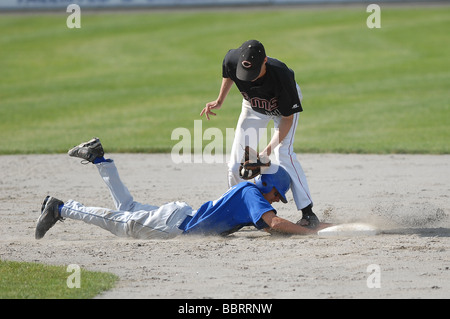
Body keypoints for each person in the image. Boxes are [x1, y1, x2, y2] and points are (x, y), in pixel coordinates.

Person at [35, 138, 330, 240]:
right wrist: (309, 233)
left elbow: (271, 227)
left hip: (178, 215)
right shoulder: (252, 194)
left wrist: (322, 226)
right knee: (122, 224)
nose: (278, 200)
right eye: (277, 194)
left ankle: (99, 158)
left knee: (127, 210)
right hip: (174, 225)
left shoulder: (249, 193)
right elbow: (275, 223)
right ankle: (60, 207)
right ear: (269, 185)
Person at [201, 40, 319, 227]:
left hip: (282, 108)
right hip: (253, 108)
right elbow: (228, 73)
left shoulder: (282, 76)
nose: (250, 78)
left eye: (254, 73)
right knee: (234, 165)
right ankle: (240, 210)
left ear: (265, 61)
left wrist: (266, 151)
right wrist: (220, 99)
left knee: (284, 152)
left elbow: (287, 119)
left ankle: (308, 212)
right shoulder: (232, 59)